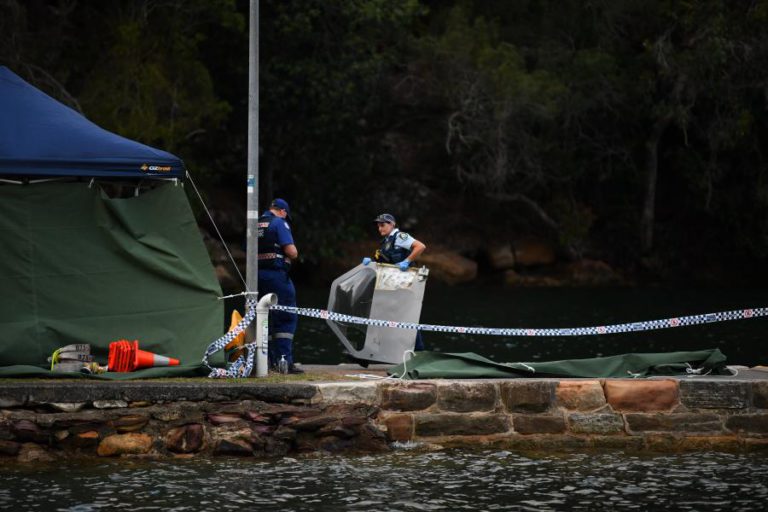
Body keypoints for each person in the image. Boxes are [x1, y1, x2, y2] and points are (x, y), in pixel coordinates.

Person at [363, 212, 427, 350]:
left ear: (392, 224)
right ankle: (373, 351)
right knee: (383, 316)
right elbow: (383, 261)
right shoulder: (385, 242)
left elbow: (420, 246)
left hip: (405, 286)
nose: (380, 228)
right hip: (391, 286)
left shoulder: (400, 237)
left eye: (383, 225)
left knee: (407, 318)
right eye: (378, 226)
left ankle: (419, 351)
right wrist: (371, 261)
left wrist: (407, 261)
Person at [257, 198, 303, 373]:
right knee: (286, 316)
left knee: (263, 317)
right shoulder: (279, 223)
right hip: (276, 276)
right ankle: (284, 362)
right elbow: (291, 251)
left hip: (256, 277)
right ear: (283, 211)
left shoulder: (254, 223)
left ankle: (265, 361)